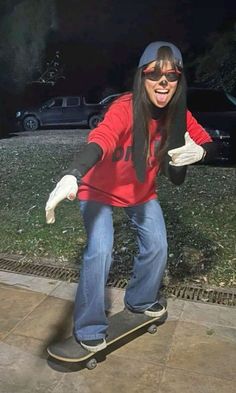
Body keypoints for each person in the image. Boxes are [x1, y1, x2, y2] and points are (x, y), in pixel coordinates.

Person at [45, 41, 216, 353]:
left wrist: (203, 151)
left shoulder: (179, 115)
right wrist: (73, 172)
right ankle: (89, 327)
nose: (163, 82)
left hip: (139, 193)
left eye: (172, 75)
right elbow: (102, 138)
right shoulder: (125, 108)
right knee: (100, 251)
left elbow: (212, 142)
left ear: (179, 80)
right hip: (97, 190)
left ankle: (140, 301)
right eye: (154, 74)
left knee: (158, 245)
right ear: (142, 77)